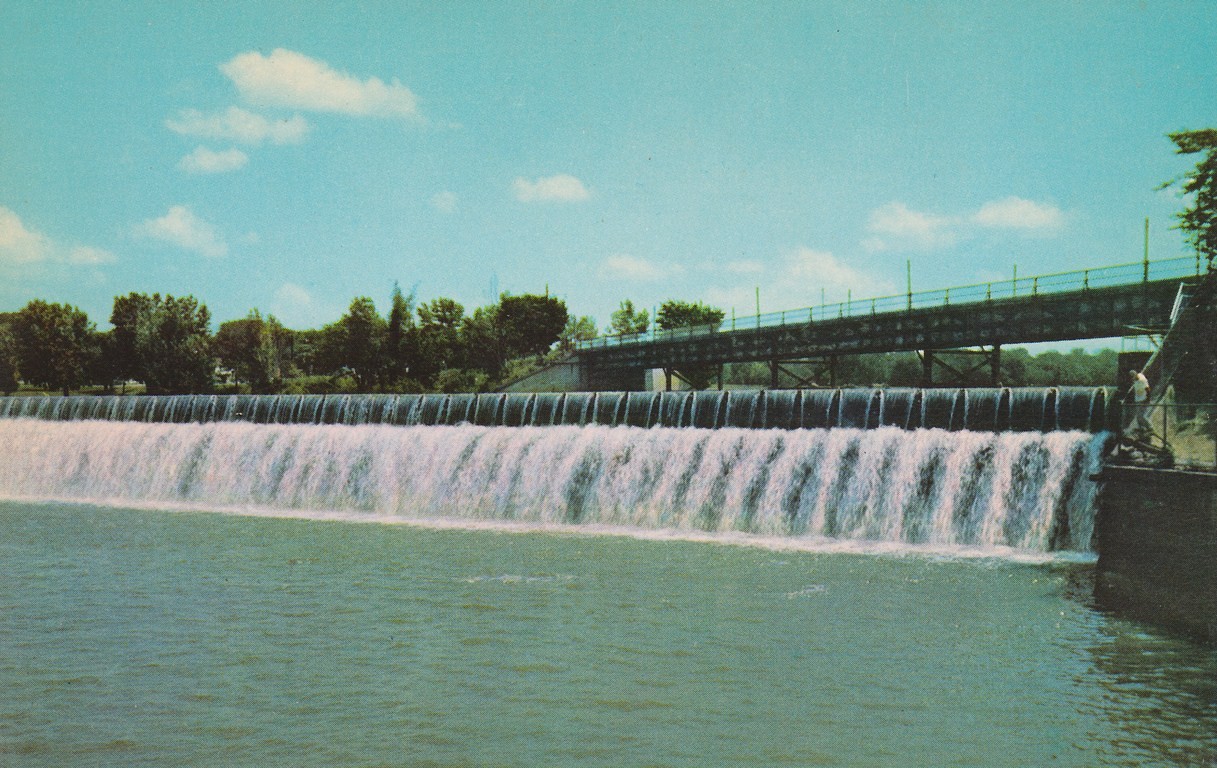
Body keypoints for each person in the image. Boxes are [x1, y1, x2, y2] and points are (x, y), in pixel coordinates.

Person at [1128, 369, 1152, 433]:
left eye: (1133, 377)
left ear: (1135, 375)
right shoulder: (1135, 380)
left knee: (1142, 415)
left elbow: (1147, 389)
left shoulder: (1142, 380)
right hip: (1138, 400)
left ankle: (1150, 427)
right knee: (1138, 416)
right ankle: (1141, 428)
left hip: (1144, 400)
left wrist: (1148, 398)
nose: (1132, 379)